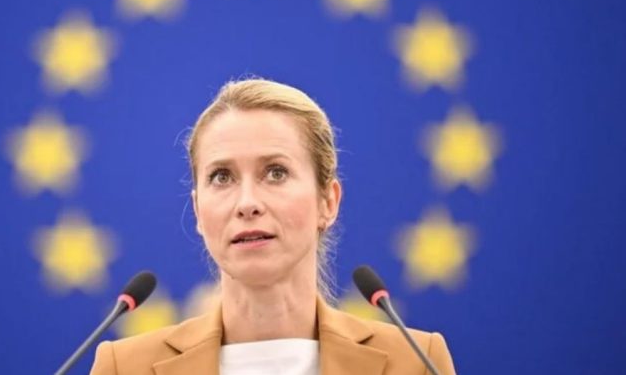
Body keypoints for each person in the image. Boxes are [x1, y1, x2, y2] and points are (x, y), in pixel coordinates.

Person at [90, 78, 456, 375]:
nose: (247, 203)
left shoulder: (416, 361)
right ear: (198, 211)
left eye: (276, 173)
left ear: (328, 202)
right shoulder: (126, 368)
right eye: (222, 177)